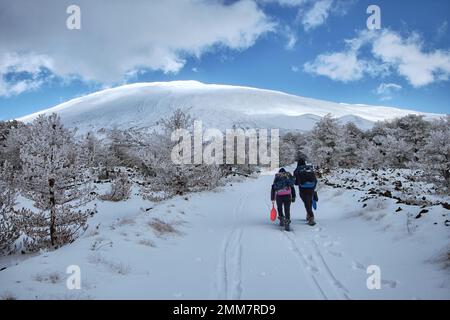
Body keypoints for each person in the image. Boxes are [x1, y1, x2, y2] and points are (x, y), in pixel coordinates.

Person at [294, 159, 317, 226]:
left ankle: (311, 217)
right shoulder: (309, 169)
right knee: (308, 201)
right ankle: (308, 214)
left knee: (306, 202)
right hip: (311, 188)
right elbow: (315, 180)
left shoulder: (297, 170)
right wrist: (313, 187)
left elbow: (295, 182)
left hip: (303, 189)